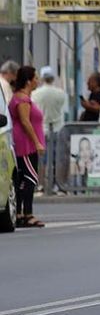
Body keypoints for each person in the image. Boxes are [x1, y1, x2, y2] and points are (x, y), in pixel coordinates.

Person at [8, 65, 46, 228]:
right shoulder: (22, 100)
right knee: (30, 178)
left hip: (24, 142)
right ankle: (27, 213)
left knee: (22, 179)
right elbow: (25, 121)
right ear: (29, 81)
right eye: (36, 78)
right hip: (25, 144)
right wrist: (36, 141)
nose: (37, 81)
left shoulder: (21, 98)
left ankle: (20, 213)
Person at [32, 66, 70, 137]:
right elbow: (65, 112)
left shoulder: (34, 94)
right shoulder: (62, 93)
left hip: (42, 129)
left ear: (42, 78)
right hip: (58, 129)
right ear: (53, 78)